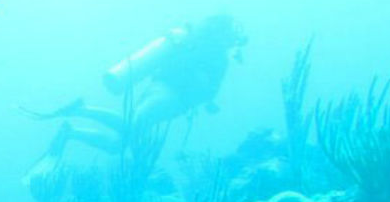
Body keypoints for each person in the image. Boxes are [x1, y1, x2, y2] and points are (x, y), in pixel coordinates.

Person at [25, 14, 246, 158]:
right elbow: (206, 87)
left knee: (119, 145)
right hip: (171, 96)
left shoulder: (203, 45)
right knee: (131, 125)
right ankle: (80, 110)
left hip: (164, 92)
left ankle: (72, 131)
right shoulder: (214, 53)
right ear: (223, 33)